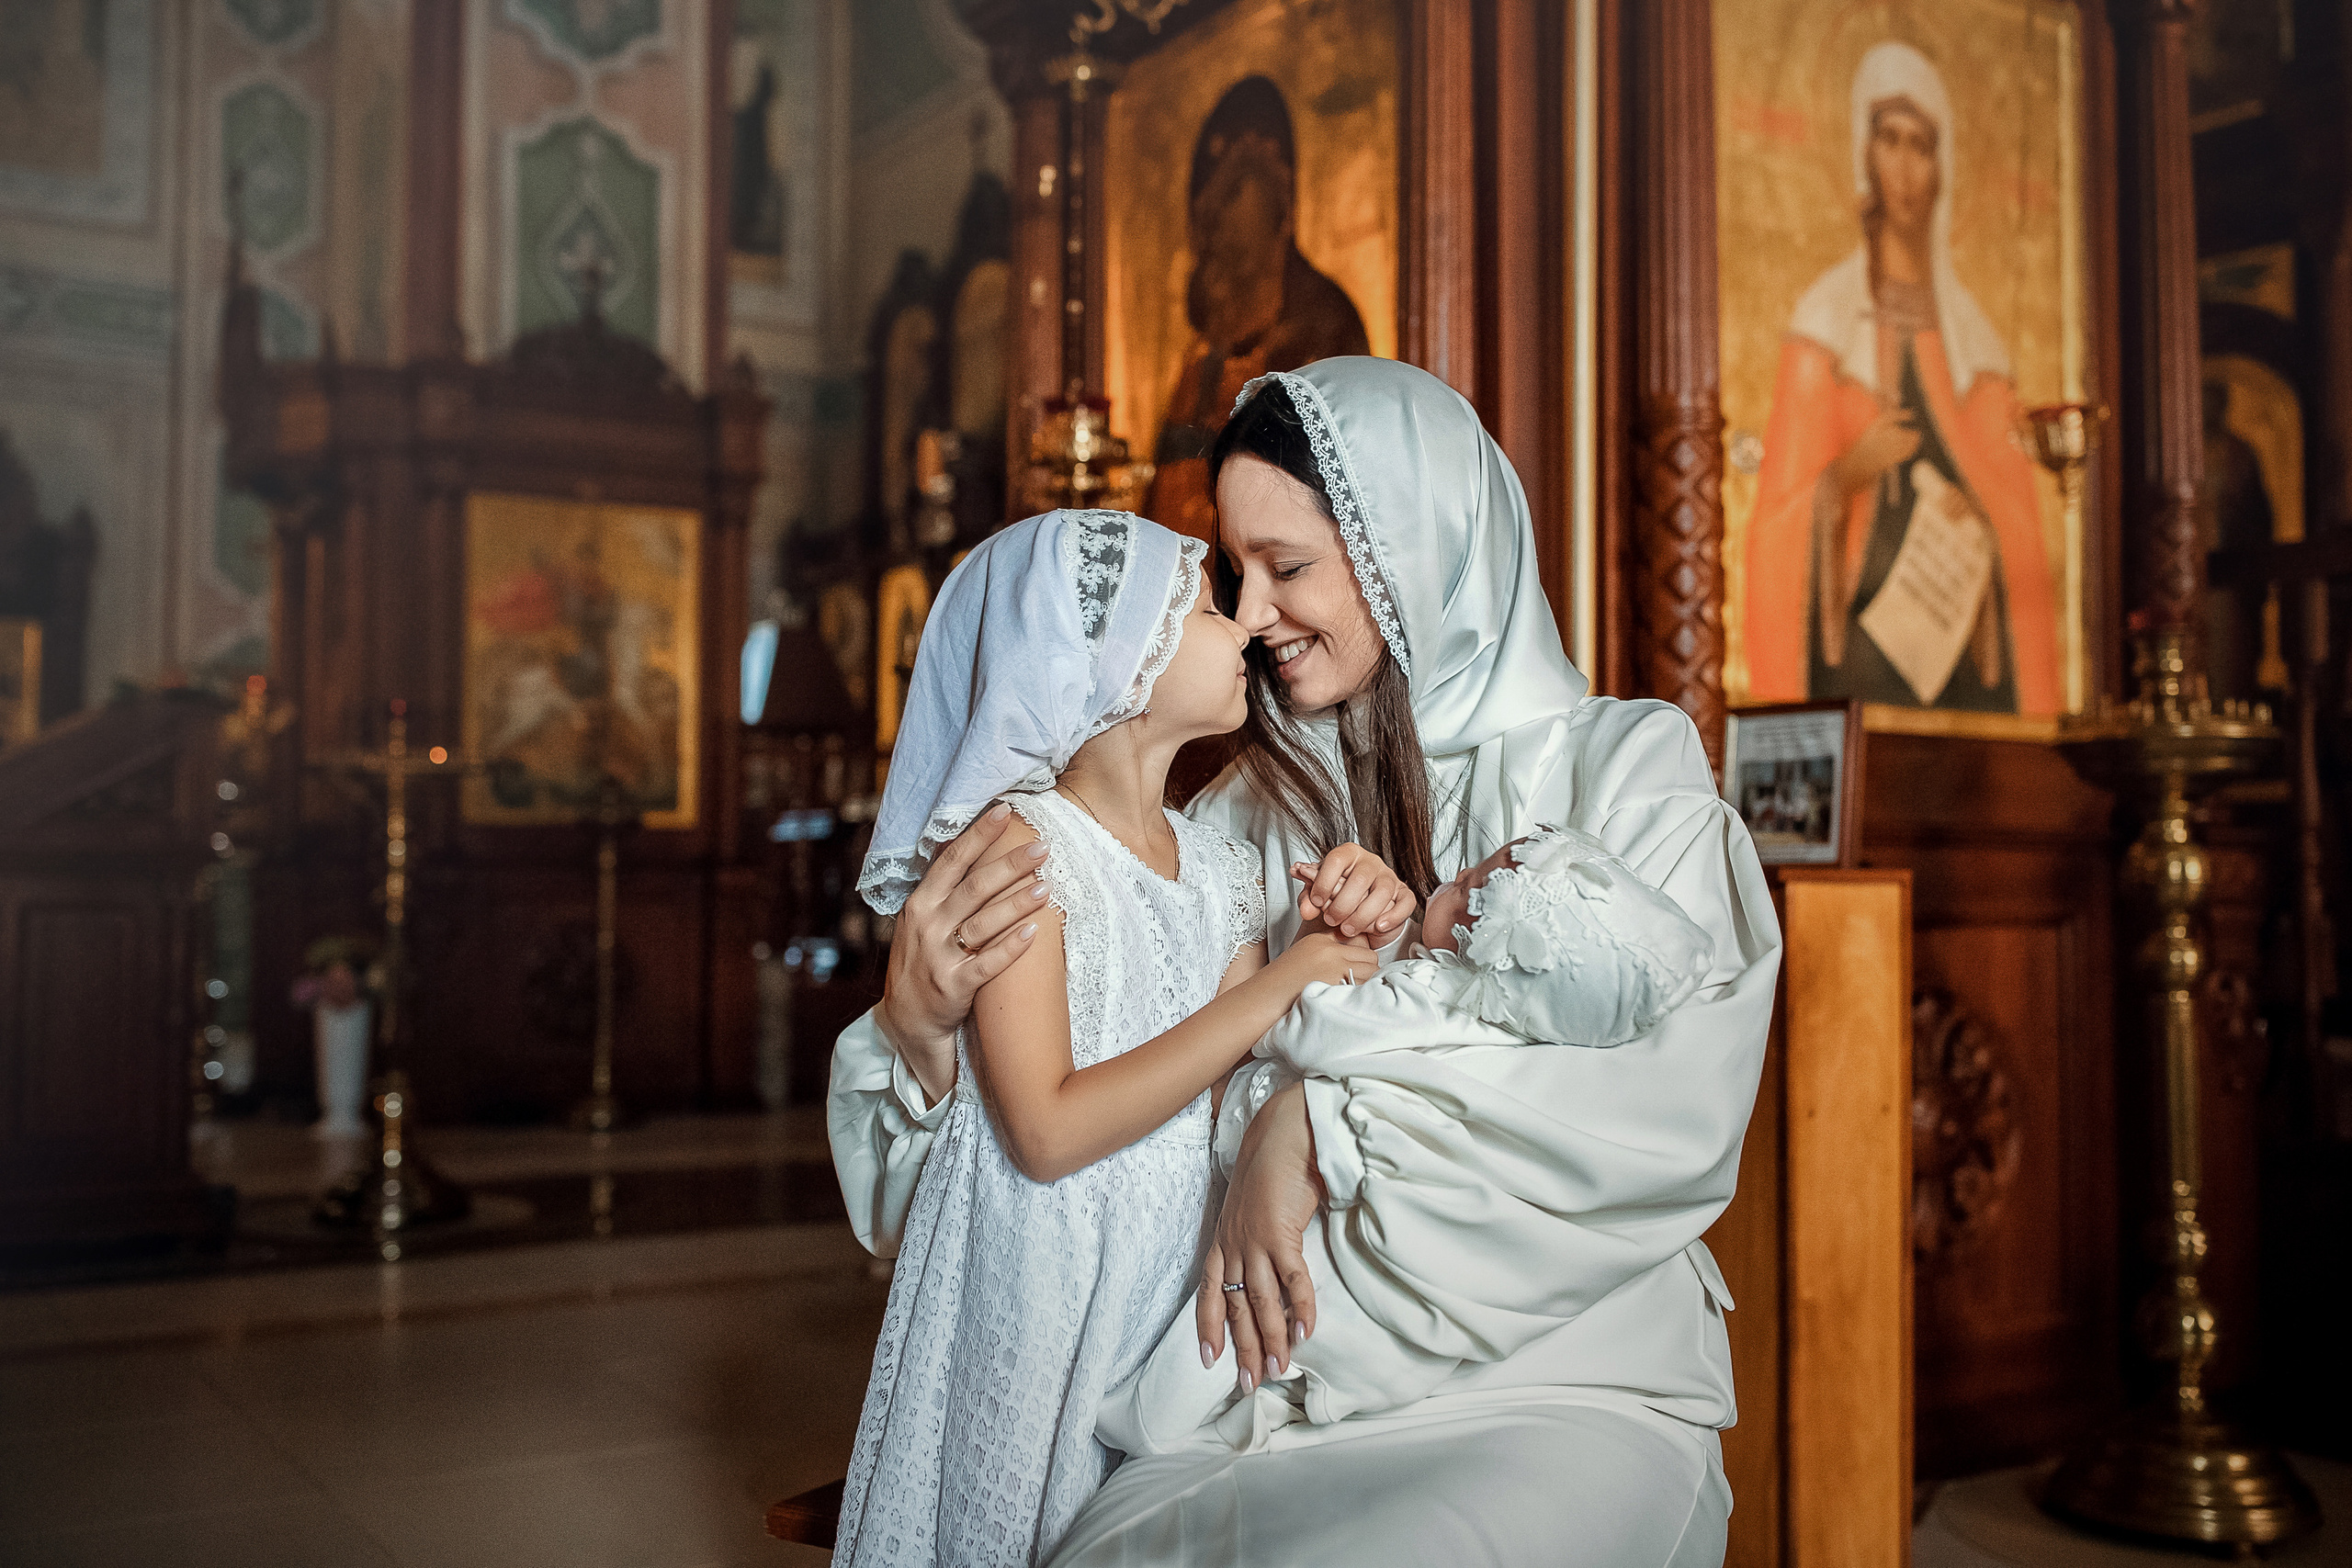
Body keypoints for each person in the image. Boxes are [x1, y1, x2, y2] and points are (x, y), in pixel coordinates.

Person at [833, 357, 1781, 1567]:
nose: (1257, 610)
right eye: (1235, 573)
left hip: (1559, 1369)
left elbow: (1655, 1111)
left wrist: (1309, 1118)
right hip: (1264, 1388)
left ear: (1412, 545)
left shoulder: (1625, 770)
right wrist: (918, 1034)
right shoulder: (1236, 821)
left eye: (1290, 567)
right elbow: (1041, 1175)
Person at [831, 508, 1384, 1567]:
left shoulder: (1221, 867)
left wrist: (1316, 957)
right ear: (1115, 659)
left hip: (1170, 1261)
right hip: (1043, 1273)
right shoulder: (1023, 852)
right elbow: (1043, 1129)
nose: (1243, 631)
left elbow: (1229, 1091)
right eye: (1213, 608)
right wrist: (1281, 986)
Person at [1744, 41, 2061, 716]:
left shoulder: (1978, 348)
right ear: (1864, 153)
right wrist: (1846, 474)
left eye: (1923, 145)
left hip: (1963, 670)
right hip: (1853, 664)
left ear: (1943, 168)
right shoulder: (1824, 323)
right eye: (1890, 140)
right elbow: (1772, 526)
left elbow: (2024, 533)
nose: (1907, 168)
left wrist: (1981, 522)